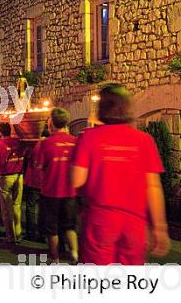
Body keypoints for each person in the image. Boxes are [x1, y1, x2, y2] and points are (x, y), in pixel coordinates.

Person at [71, 84, 170, 264]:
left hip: (100, 218)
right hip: (134, 222)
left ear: (102, 108)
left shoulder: (89, 137)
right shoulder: (144, 140)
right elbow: (154, 187)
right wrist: (160, 228)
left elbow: (77, 180)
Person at [37, 107, 78, 263]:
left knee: (52, 229)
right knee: (70, 226)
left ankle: (55, 259)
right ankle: (74, 253)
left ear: (51, 123)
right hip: (71, 192)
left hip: (51, 192)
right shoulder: (75, 142)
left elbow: (40, 167)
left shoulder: (46, 144)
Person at [0, 122, 25, 244]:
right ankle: (18, 233)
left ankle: (11, 237)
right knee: (17, 207)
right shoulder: (19, 141)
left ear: (0, 132)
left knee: (6, 209)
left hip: (5, 177)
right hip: (19, 176)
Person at [23, 139, 43, 242]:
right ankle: (42, 234)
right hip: (46, 181)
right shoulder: (49, 144)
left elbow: (25, 157)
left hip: (33, 180)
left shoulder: (33, 146)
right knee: (43, 209)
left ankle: (30, 233)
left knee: (30, 207)